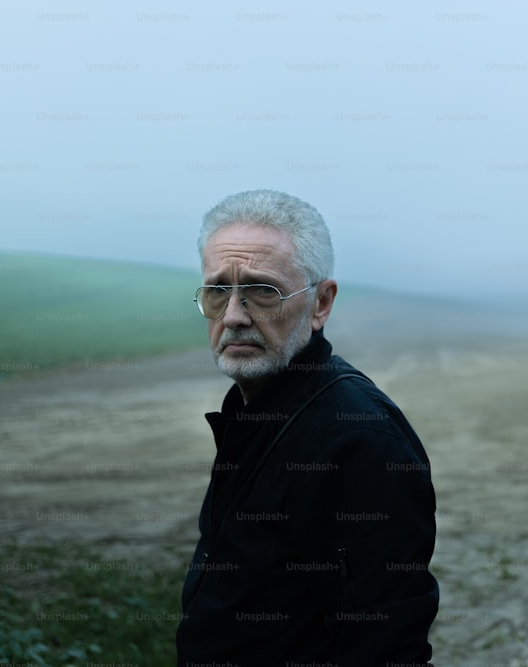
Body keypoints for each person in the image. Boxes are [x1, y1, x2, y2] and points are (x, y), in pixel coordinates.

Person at [175, 189, 438, 666]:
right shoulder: (248, 411)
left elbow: (387, 647)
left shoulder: (360, 440)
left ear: (321, 303)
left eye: (263, 291)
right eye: (217, 291)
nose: (233, 316)